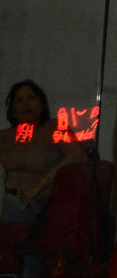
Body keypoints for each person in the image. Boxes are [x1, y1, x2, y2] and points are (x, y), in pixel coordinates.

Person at [0, 79, 85, 224]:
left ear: (41, 106)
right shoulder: (4, 136)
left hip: (31, 203)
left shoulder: (54, 127)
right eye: (19, 100)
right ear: (13, 111)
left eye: (31, 98)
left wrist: (40, 185)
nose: (26, 103)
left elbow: (79, 155)